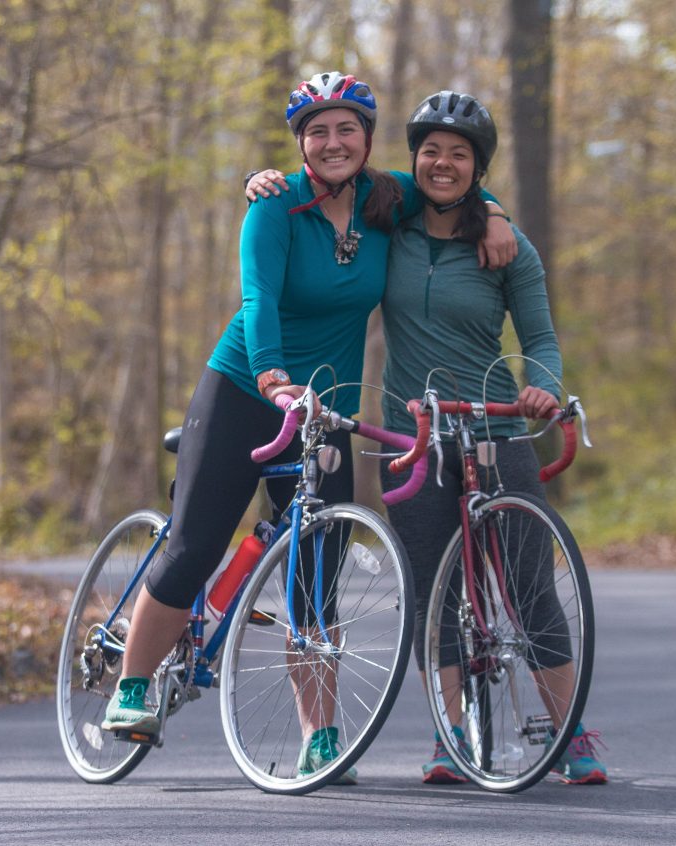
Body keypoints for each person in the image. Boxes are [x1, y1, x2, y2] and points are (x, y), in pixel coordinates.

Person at [103, 72, 516, 786]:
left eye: (346, 129)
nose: (332, 143)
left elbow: (456, 183)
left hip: (328, 406)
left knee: (314, 573)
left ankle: (318, 737)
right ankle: (132, 685)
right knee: (197, 540)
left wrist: (500, 213)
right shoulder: (274, 207)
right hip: (245, 387)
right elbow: (259, 299)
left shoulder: (389, 198)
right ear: (300, 143)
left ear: (366, 137)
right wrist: (270, 376)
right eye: (317, 132)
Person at [375, 91, 609, 786]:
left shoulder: (508, 246)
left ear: (479, 169)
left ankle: (570, 733)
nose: (442, 163)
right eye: (430, 150)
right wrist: (256, 183)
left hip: (493, 424)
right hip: (412, 432)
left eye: (460, 154)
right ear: (413, 157)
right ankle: (449, 736)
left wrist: (540, 386)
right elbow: (325, 176)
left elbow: (539, 340)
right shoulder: (385, 218)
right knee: (429, 590)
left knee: (530, 585)